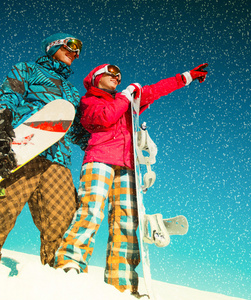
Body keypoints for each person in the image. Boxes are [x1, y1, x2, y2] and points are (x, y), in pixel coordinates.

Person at [55, 63, 208, 296]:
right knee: (91, 211)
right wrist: (126, 96)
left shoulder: (127, 103)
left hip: (127, 166)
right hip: (99, 160)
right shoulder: (90, 101)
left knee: (126, 224)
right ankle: (70, 264)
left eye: (119, 76)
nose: (117, 78)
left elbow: (157, 90)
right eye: (111, 74)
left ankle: (121, 283)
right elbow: (104, 118)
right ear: (97, 78)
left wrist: (186, 77)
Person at [0, 33, 90, 267]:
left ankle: (59, 278)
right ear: (53, 46)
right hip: (22, 150)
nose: (75, 53)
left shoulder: (73, 92)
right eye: (70, 46)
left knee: (62, 220)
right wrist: (1, 126)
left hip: (58, 160)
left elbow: (77, 130)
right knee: (1, 211)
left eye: (78, 50)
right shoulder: (26, 69)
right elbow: (9, 96)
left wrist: (100, 144)